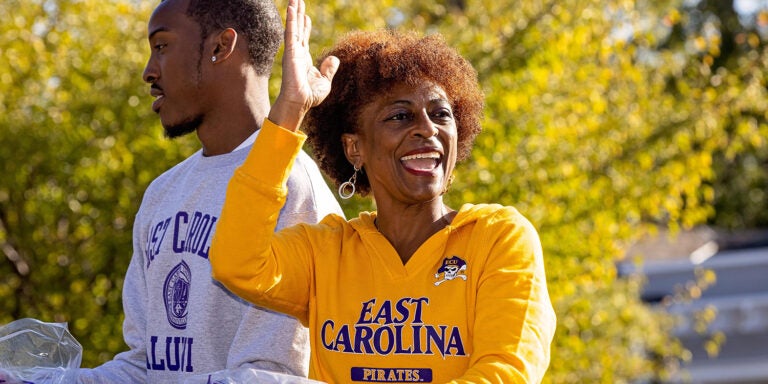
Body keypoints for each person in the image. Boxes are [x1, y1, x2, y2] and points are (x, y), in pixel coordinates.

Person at [210, 0, 557, 382]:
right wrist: (290, 110)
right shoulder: (326, 252)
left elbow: (506, 373)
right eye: (400, 116)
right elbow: (237, 263)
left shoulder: (498, 238)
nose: (427, 128)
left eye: (441, 114)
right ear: (354, 147)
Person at [69, 0, 343, 382]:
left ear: (220, 47)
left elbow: (279, 375)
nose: (149, 71)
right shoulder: (162, 193)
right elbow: (144, 368)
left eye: (162, 46)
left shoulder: (296, 187)